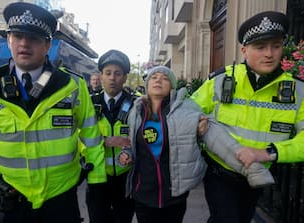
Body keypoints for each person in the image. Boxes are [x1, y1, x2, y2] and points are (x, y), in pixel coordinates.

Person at [0, 2, 106, 223]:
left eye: (33, 38)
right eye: (17, 36)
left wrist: (97, 181)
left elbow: (91, 135)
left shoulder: (71, 86)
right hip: (13, 196)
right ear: (9, 40)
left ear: (47, 45)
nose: (24, 43)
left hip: (61, 198)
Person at [117, 65, 274, 223]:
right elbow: (134, 145)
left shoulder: (187, 110)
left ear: (172, 87)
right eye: (154, 77)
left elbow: (218, 140)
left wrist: (251, 168)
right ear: (147, 84)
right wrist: (127, 154)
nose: (158, 80)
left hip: (174, 193)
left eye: (165, 78)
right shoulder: (136, 112)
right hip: (142, 192)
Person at [190, 11, 304, 223]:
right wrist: (196, 124)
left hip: (259, 175)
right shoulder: (220, 80)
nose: (269, 54)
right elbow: (188, 111)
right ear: (244, 50)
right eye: (260, 47)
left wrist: (268, 153)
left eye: (276, 46)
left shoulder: (298, 90)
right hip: (220, 172)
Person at [85, 49, 135, 223]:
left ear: (125, 77)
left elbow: (146, 137)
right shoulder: (89, 103)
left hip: (126, 179)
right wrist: (103, 141)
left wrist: (130, 151)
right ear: (101, 76)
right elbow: (76, 137)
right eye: (108, 73)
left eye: (117, 73)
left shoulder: (137, 104)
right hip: (97, 178)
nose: (112, 78)